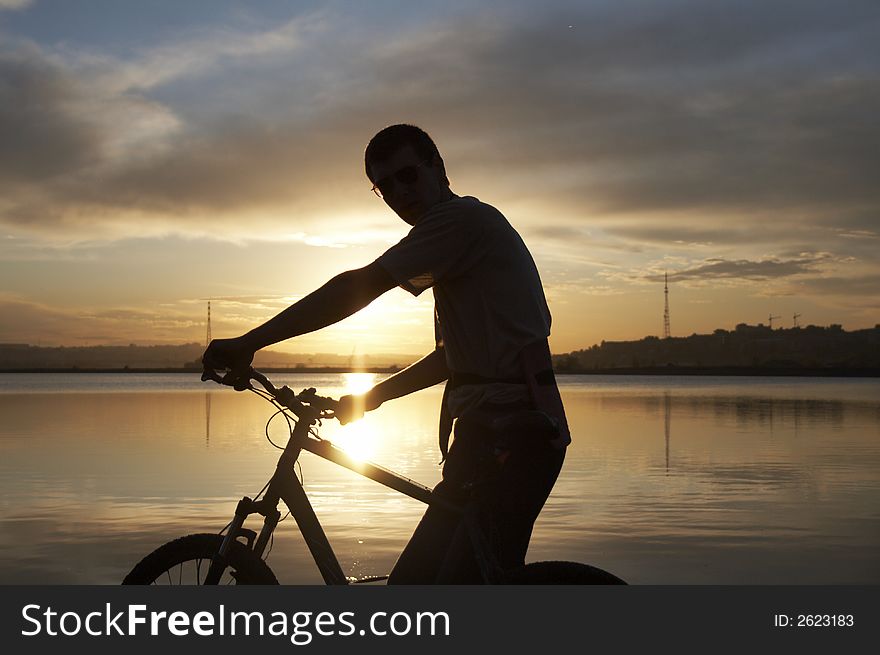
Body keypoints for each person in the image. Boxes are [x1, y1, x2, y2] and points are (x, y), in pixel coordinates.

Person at [202, 124, 570, 583]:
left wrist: (248, 342)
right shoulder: (456, 245)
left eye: (409, 175)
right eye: (385, 186)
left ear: (438, 168)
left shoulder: (459, 222)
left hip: (513, 438)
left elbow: (358, 287)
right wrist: (369, 398)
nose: (400, 192)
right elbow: (449, 360)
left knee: (463, 592)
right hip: (488, 434)